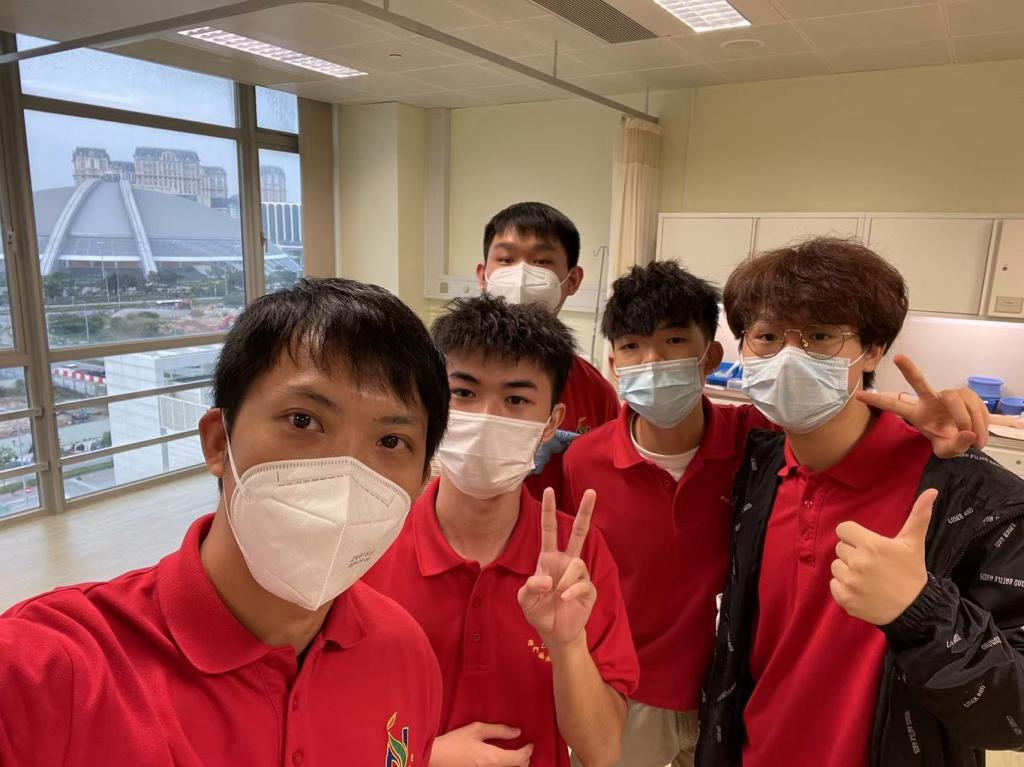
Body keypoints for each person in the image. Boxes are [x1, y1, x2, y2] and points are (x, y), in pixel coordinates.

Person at [563, 259, 996, 767]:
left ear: (711, 356)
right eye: (632, 347)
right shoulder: (582, 460)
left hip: (728, 688)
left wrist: (933, 422)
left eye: (675, 341)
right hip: (632, 687)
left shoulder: (757, 439)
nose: (653, 362)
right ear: (613, 361)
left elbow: (837, 422)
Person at [0, 278, 450, 766]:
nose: (346, 473)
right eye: (303, 420)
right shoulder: (52, 673)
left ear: (421, 482)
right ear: (218, 441)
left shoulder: (405, 653)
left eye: (391, 442)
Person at [697, 238, 1024, 766]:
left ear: (873, 349)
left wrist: (919, 611)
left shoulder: (973, 498)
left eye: (821, 336)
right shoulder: (754, 468)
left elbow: (1015, 717)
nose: (789, 358)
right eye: (768, 337)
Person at [365, 295, 638, 767]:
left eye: (515, 400)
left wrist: (566, 644)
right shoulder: (372, 541)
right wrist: (421, 758)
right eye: (464, 393)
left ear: (551, 423)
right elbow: (320, 721)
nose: (486, 416)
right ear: (430, 402)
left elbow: (601, 750)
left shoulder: (576, 557)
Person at [477, 202, 619, 500]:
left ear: (573, 280)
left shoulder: (596, 393)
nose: (521, 274)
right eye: (506, 259)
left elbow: (604, 482)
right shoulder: (443, 376)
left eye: (541, 261)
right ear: (482, 276)